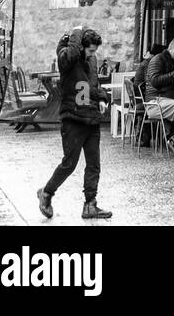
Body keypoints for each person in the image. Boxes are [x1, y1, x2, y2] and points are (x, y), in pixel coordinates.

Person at [37, 27, 112, 221]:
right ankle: (46, 193)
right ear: (80, 46)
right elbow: (78, 82)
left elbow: (91, 85)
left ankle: (90, 205)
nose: (93, 54)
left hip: (91, 117)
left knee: (94, 164)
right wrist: (78, 31)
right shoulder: (67, 56)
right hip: (73, 118)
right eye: (90, 50)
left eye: (95, 51)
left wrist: (102, 98)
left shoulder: (91, 59)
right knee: (69, 163)